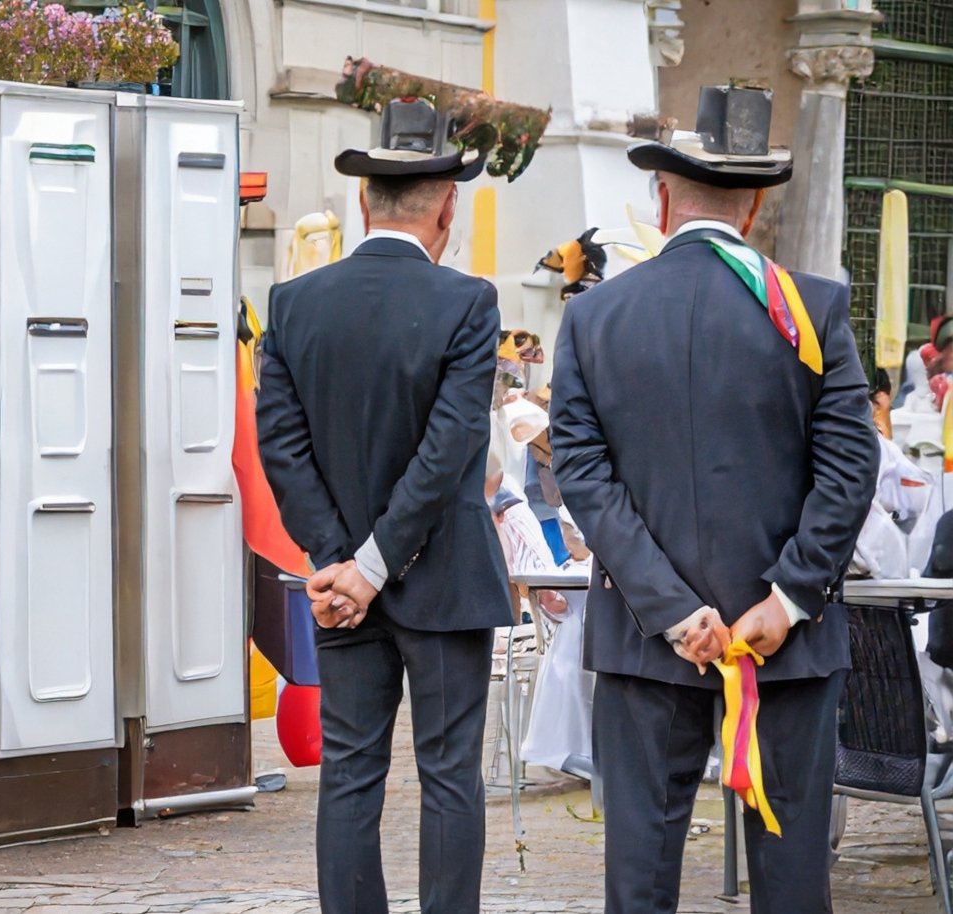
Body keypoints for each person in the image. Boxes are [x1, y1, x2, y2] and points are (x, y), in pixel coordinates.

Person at [549, 85, 877, 914]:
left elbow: (582, 473)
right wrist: (788, 597)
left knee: (641, 877)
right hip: (787, 646)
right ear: (754, 205)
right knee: (792, 877)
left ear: (663, 200)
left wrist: (670, 608)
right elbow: (850, 467)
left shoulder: (594, 317)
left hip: (645, 643)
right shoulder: (814, 308)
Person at [255, 97, 510, 914]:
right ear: (447, 207)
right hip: (442, 578)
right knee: (449, 775)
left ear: (364, 203)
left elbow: (281, 448)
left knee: (351, 771)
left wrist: (341, 562)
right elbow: (450, 449)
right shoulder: (468, 302)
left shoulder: (293, 303)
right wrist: (369, 566)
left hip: (340, 586)